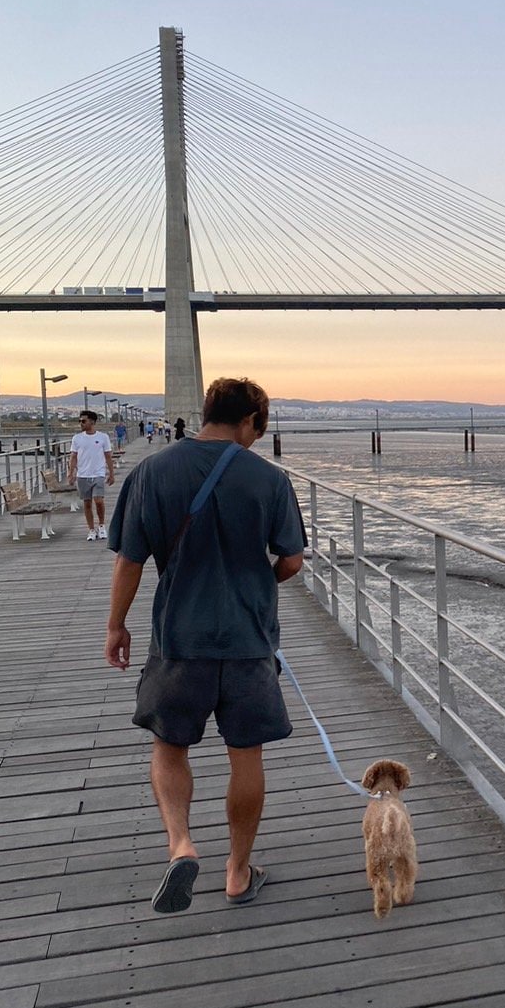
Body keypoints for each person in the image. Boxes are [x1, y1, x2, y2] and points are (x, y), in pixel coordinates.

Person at [105, 377, 307, 914]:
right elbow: (291, 561)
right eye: (258, 429)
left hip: (178, 640)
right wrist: (258, 580)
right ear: (249, 421)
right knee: (247, 757)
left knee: (169, 747)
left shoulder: (152, 472)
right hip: (248, 641)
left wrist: (115, 626)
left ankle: (181, 844)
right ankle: (238, 871)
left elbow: (129, 559)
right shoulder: (270, 480)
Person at [68, 409, 115, 541]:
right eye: (80, 421)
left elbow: (108, 456)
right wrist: (70, 473)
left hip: (98, 474)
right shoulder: (77, 438)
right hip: (82, 475)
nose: (81, 423)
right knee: (87, 503)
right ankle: (91, 529)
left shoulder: (102, 437)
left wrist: (111, 474)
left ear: (92, 422)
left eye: (83, 421)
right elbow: (73, 457)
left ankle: (101, 525)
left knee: (99, 501)